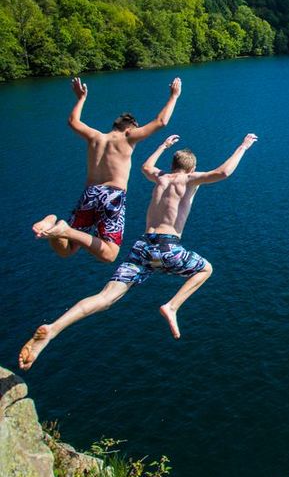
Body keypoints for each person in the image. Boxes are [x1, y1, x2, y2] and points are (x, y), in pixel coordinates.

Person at [18, 132, 258, 371]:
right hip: (167, 246)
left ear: (171, 165)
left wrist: (163, 146)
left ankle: (53, 329)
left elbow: (145, 166)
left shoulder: (160, 177)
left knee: (105, 298)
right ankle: (172, 306)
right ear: (192, 167)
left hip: (142, 247)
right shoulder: (189, 180)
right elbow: (223, 172)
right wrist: (243, 147)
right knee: (206, 269)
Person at [32, 76, 182, 263]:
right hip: (112, 195)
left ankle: (53, 223)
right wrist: (174, 96)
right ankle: (66, 230)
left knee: (67, 250)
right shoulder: (128, 137)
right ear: (130, 128)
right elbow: (161, 122)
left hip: (89, 193)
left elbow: (73, 121)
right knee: (110, 254)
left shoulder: (95, 137)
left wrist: (81, 99)